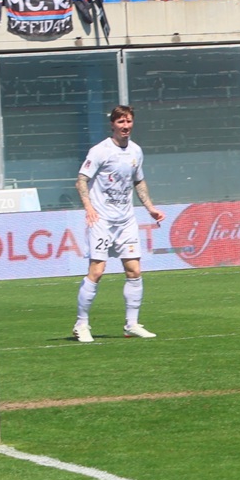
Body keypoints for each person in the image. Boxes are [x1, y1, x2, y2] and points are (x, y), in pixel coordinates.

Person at [72, 105, 165, 343]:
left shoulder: (136, 151)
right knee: (97, 271)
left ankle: (131, 324)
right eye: (121, 122)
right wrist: (89, 208)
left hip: (126, 221)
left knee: (134, 270)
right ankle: (81, 324)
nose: (126, 126)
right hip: (102, 220)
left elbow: (139, 181)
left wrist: (150, 208)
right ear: (112, 124)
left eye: (129, 121)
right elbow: (81, 181)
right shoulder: (100, 151)